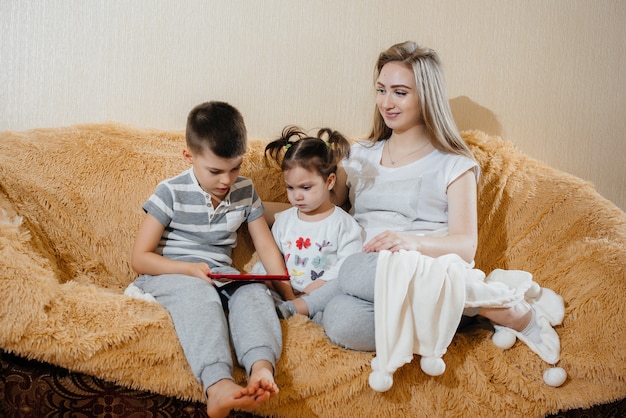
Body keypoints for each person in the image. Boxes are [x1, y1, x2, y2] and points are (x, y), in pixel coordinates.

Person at [266, 41, 561, 366]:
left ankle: (487, 304)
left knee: (350, 270)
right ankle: (468, 307)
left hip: (422, 266)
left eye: (400, 92)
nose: (386, 102)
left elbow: (465, 247)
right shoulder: (360, 155)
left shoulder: (453, 163)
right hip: (369, 282)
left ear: (426, 97)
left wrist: (409, 242)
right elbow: (315, 211)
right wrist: (247, 207)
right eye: (381, 90)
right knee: (338, 318)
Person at [130, 101, 287, 418]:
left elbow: (267, 247)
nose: (226, 180)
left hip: (220, 275)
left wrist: (290, 296)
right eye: (215, 171)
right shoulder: (170, 192)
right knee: (199, 293)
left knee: (256, 291)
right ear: (190, 156)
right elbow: (140, 259)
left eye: (235, 168)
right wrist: (187, 269)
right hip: (169, 274)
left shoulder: (244, 191)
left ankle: (260, 369)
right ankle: (217, 385)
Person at [256, 126, 363, 317]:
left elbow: (348, 264)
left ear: (329, 181)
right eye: (290, 188)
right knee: (255, 294)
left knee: (336, 309)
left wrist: (322, 284)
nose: (297, 196)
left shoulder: (343, 224)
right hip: (285, 294)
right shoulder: (284, 221)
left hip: (322, 296)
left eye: (306, 188)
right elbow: (272, 258)